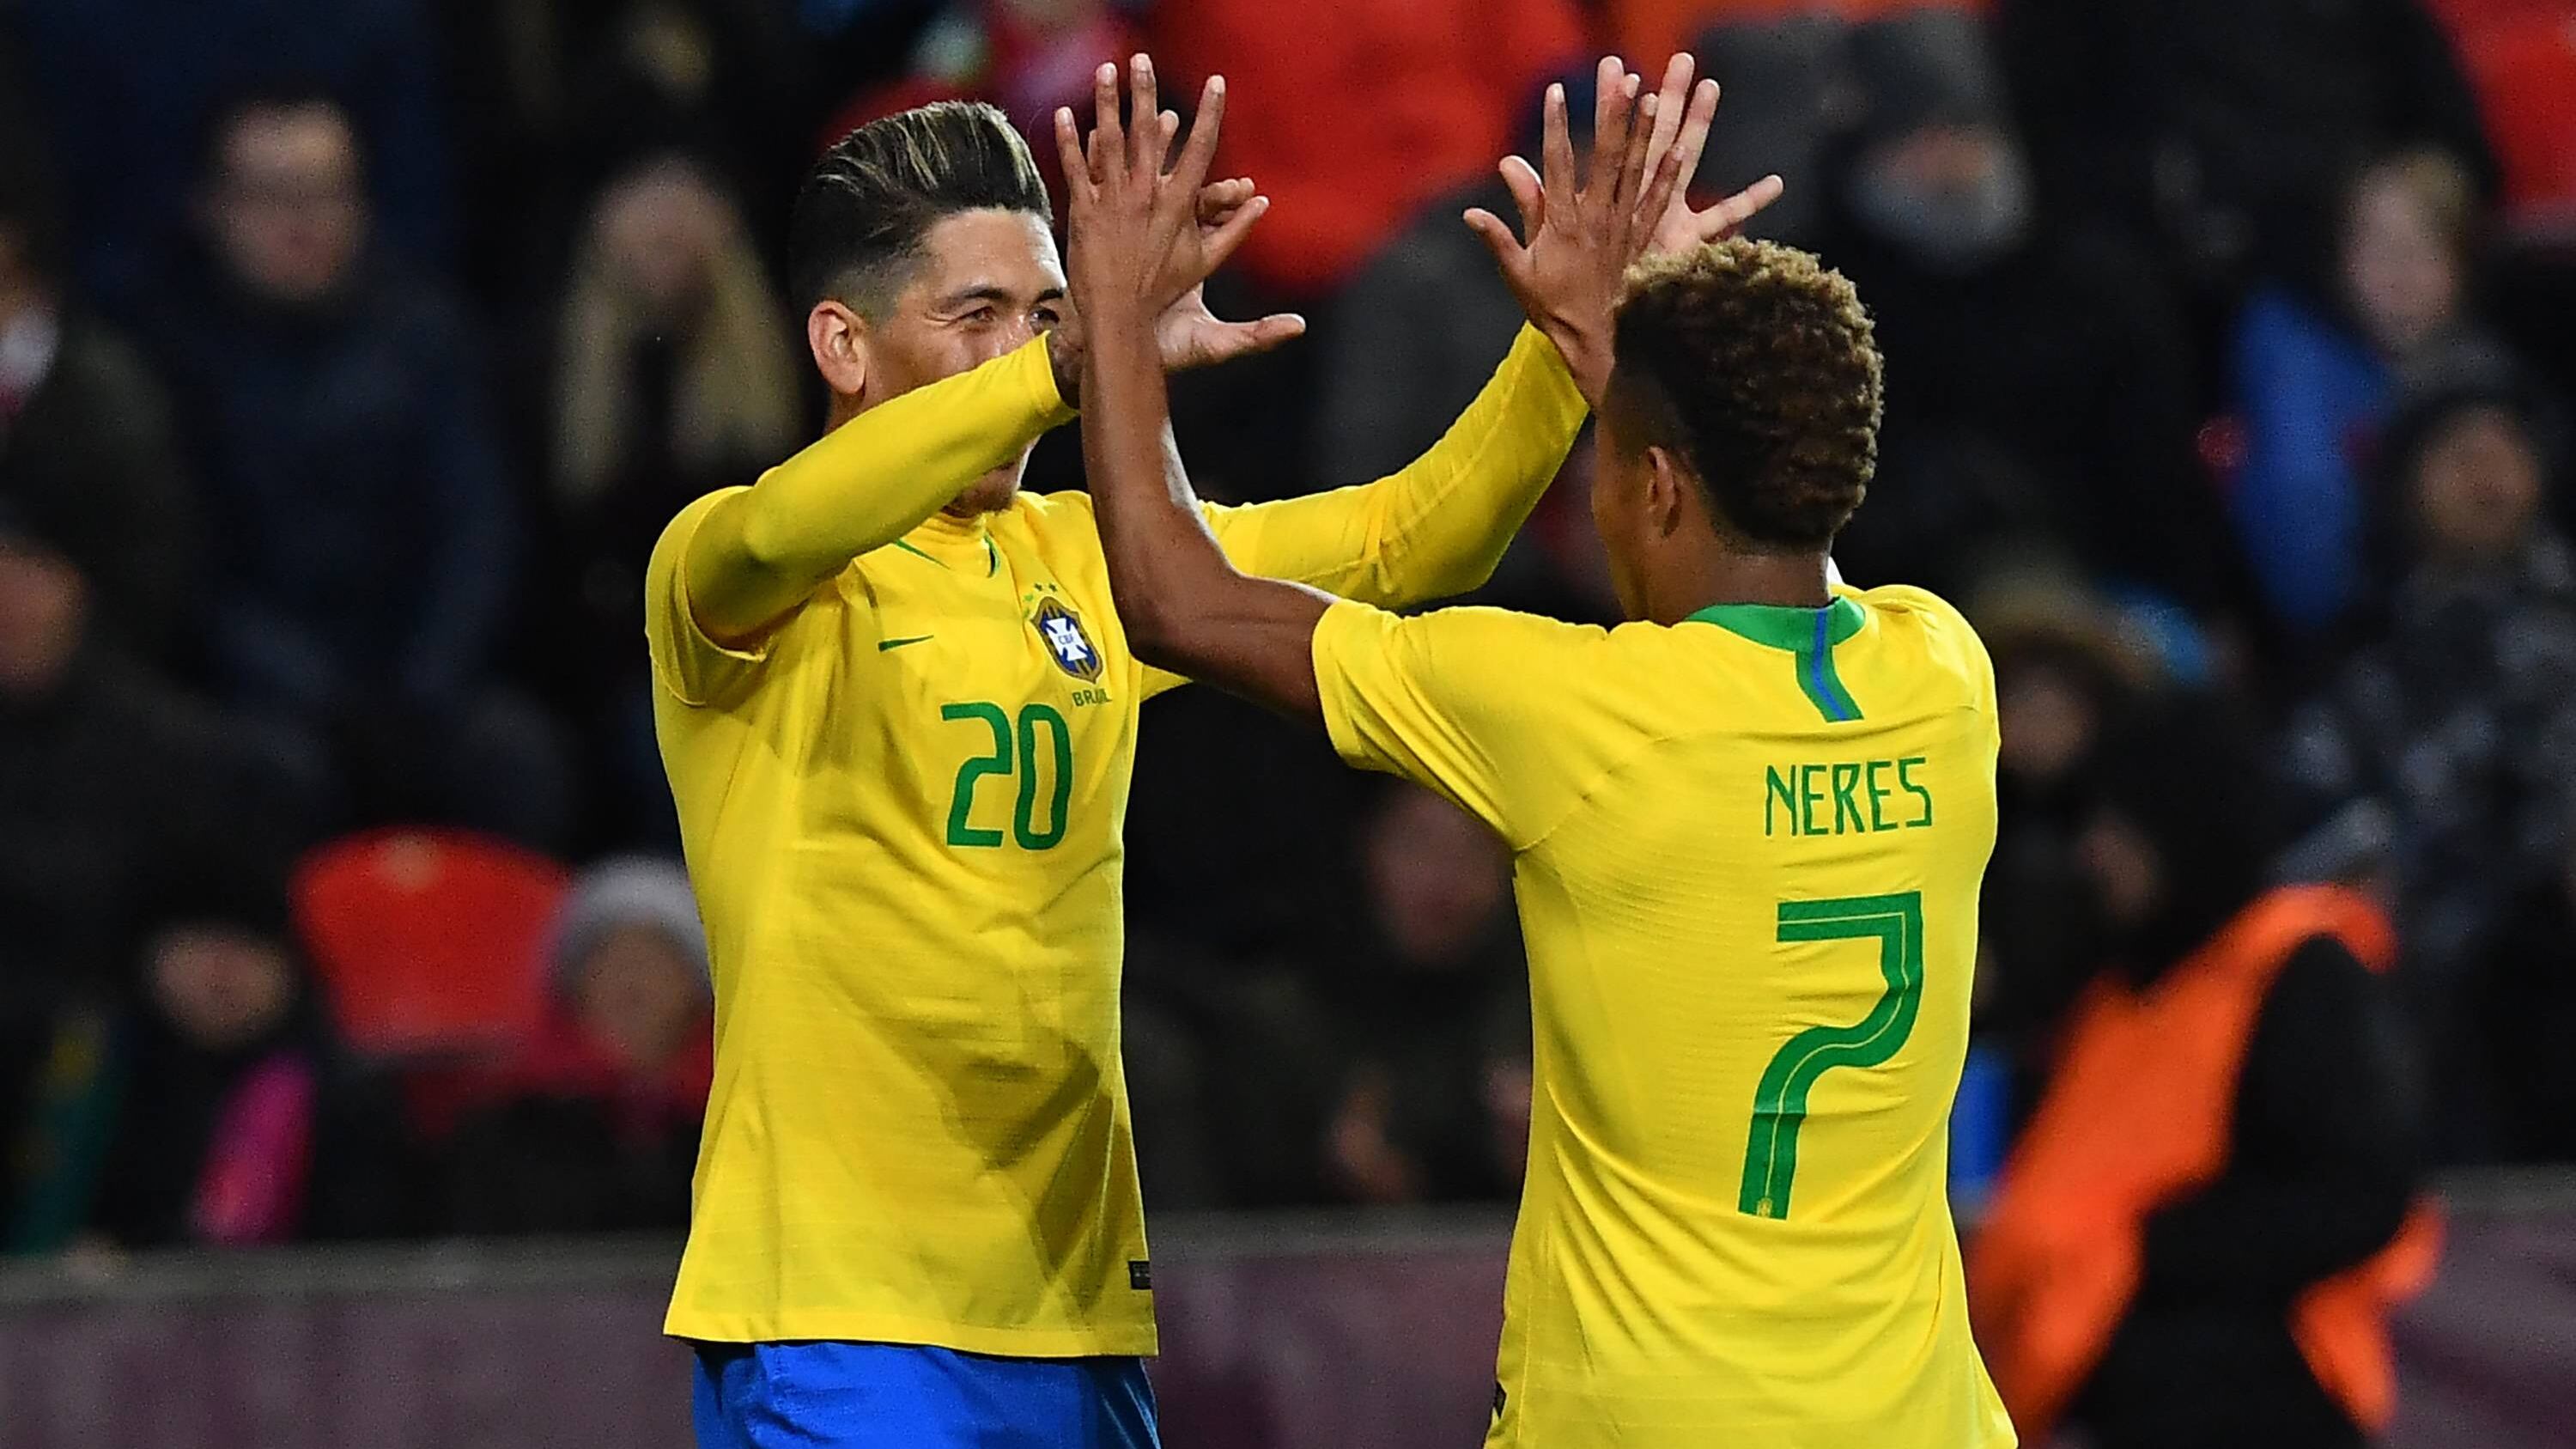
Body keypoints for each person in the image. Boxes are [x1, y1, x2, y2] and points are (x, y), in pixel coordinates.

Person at [652, 58, 1778, 1449]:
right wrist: (1078, 363)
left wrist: (1565, 346)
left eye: (1047, 312)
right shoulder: (735, 574)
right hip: (840, 1315)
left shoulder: (1087, 559)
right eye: (975, 316)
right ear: (841, 345)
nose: (1022, 352)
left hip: (1073, 1312)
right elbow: (783, 525)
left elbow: (1406, 542)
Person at [1065, 55, 2010, 1448]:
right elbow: (1770, 492)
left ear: (1659, 485)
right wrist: (1657, 332)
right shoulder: (1944, 674)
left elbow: (1174, 599)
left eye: (1607, 463)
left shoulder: (1570, 712)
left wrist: (1113, 319)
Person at [1971, 707, 2438, 1449]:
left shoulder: (2298, 972)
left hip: (2265, 1399)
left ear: (2173, 827)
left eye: (2114, 826)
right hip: (2112, 1396)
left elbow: (2359, 1195)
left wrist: (2147, 1250)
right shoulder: (2129, 982)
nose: (2093, 852)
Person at [153, 88, 570, 851]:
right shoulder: (166, 352)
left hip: (421, 677)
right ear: (211, 208)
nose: (302, 220)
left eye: (326, 192)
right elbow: (183, 563)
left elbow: (477, 526)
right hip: (258, 690)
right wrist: (311, 687)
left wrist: (426, 680)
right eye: (272, 194)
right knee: (261, 769)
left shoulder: (427, 333)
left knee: (513, 753)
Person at [445, 856, 713, 1235]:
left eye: (658, 961)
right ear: (573, 985)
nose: (632, 983)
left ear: (698, 991)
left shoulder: (728, 1126)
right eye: (611, 960)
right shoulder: (510, 1126)